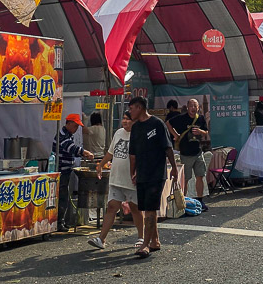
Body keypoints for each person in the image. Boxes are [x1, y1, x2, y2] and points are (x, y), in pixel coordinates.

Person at [127, 96, 177, 258]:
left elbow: (168, 148)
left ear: (140, 107)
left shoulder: (157, 124)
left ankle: (145, 245)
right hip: (142, 173)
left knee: (150, 209)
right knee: (146, 209)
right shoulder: (135, 128)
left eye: (132, 108)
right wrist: (132, 172)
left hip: (156, 173)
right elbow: (132, 154)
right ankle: (155, 241)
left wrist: (174, 168)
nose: (130, 112)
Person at [88, 112, 135, 250]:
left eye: (128, 119)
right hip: (116, 178)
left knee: (136, 209)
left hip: (131, 180)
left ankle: (142, 238)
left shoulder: (138, 134)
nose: (125, 121)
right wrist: (101, 165)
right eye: (124, 119)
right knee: (112, 207)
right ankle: (101, 239)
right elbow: (110, 153)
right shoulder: (118, 133)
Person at [53, 113, 94, 232]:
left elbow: (72, 151)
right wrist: (85, 152)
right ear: (69, 123)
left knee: (64, 196)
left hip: (66, 170)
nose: (76, 129)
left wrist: (81, 154)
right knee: (62, 197)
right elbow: (72, 148)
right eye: (75, 126)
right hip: (61, 170)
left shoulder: (68, 135)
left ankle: (61, 222)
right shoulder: (63, 135)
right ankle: (59, 223)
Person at [169, 97, 211, 203]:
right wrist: (175, 135)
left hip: (198, 152)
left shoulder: (200, 118)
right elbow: (168, 123)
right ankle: (183, 201)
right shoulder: (182, 118)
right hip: (185, 153)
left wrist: (200, 131)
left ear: (198, 107)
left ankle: (200, 200)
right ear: (187, 107)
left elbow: (206, 132)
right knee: (185, 179)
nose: (193, 108)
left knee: (200, 176)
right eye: (191, 106)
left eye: (195, 106)